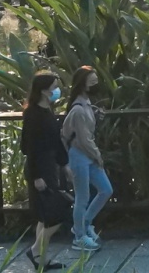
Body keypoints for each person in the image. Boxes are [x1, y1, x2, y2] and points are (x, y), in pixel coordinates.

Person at [20, 71, 70, 271]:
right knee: (57, 213)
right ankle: (35, 250)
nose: (56, 90)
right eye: (53, 87)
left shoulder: (47, 110)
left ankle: (41, 258)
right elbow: (29, 148)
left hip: (50, 165)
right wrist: (36, 176)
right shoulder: (32, 115)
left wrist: (64, 164)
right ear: (43, 90)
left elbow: (55, 142)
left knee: (44, 216)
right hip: (39, 168)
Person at [63, 66, 111, 252]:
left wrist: (96, 114)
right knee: (82, 196)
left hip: (87, 154)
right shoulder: (78, 110)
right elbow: (83, 140)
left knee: (105, 190)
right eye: (92, 82)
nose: (95, 85)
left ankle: (85, 223)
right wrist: (97, 156)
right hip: (80, 155)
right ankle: (79, 237)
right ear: (82, 84)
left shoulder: (86, 104)